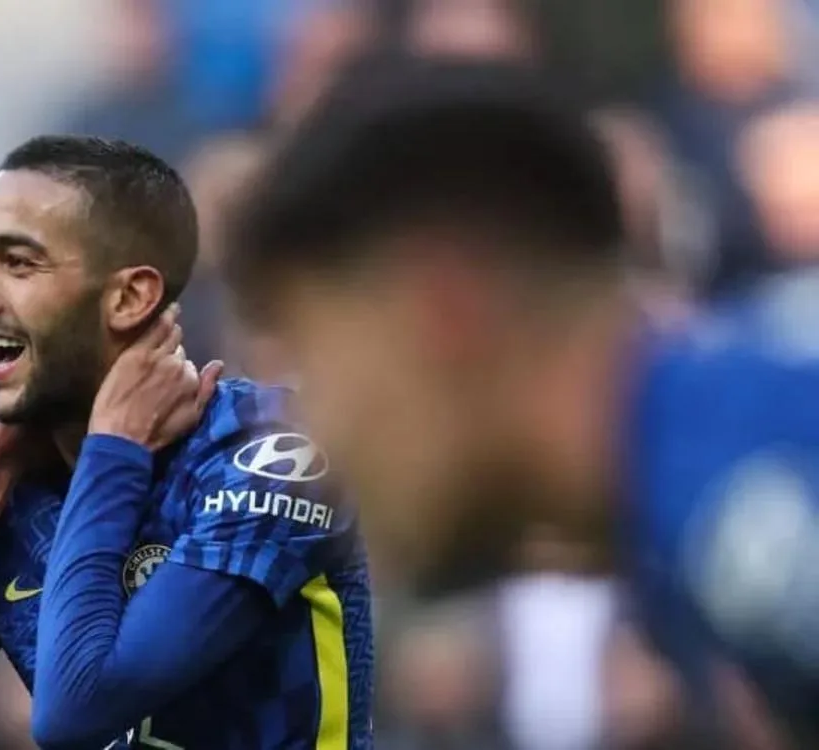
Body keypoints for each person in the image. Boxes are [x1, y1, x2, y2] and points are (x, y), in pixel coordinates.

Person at [225, 59, 819, 743]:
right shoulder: (685, 519)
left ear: (444, 305)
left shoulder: (746, 508)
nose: (313, 439)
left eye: (312, 366)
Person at [0, 136, 373, 750]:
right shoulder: (16, 475)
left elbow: (78, 711)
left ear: (129, 297)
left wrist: (111, 453)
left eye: (18, 263)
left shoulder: (272, 451)